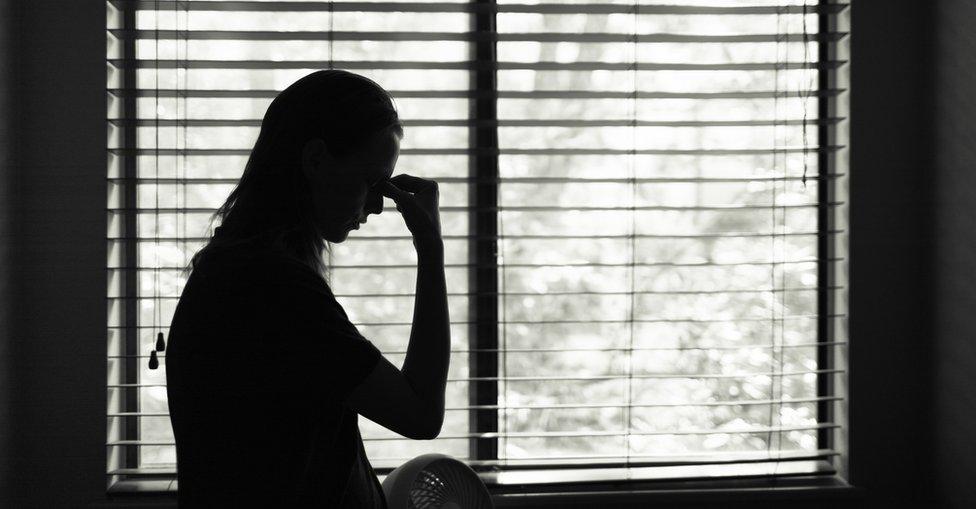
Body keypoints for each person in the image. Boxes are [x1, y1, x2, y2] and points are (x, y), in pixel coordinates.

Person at [164, 69, 451, 508]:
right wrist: (431, 251)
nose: (377, 205)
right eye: (370, 182)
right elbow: (421, 414)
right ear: (315, 159)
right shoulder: (273, 289)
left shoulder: (240, 267)